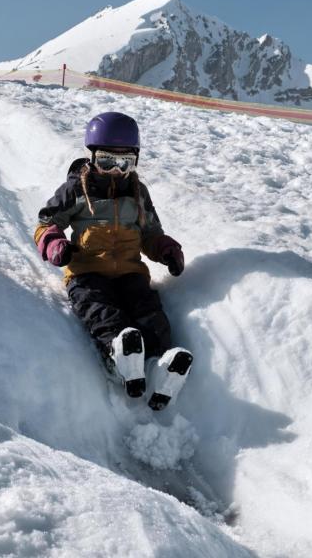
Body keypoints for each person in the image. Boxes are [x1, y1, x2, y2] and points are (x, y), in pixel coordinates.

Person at [34, 112, 193, 411]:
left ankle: (159, 366)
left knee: (150, 314)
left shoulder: (138, 192)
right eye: (107, 161)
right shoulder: (76, 189)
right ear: (92, 157)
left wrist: (166, 249)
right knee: (105, 314)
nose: (116, 172)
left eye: (125, 164)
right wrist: (56, 244)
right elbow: (45, 222)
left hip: (131, 272)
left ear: (135, 160)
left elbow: (150, 233)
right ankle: (117, 357)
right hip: (87, 272)